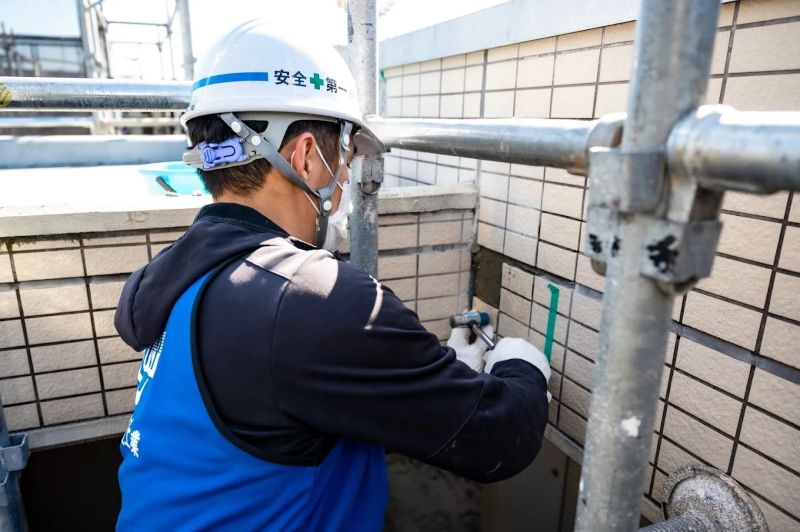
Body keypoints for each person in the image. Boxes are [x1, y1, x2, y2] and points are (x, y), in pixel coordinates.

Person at [114, 19, 551, 532]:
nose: (344, 181)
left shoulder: (167, 276)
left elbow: (286, 394)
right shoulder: (310, 298)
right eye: (343, 160)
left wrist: (432, 379)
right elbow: (499, 439)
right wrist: (521, 367)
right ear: (304, 156)